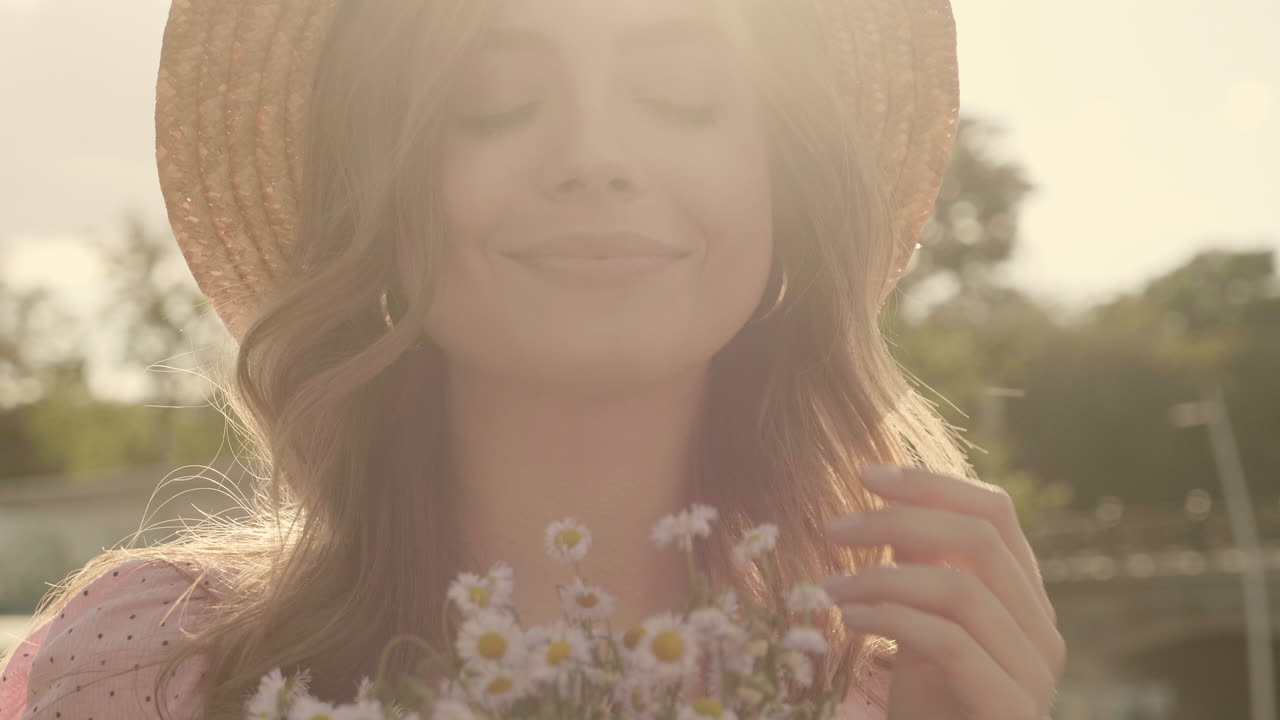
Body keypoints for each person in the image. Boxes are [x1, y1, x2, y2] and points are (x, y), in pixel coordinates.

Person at [0, 1, 1066, 718]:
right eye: (492, 96)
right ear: (377, 197)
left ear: (784, 188)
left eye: (684, 93)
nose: (595, 158)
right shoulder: (159, 670)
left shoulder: (909, 693)